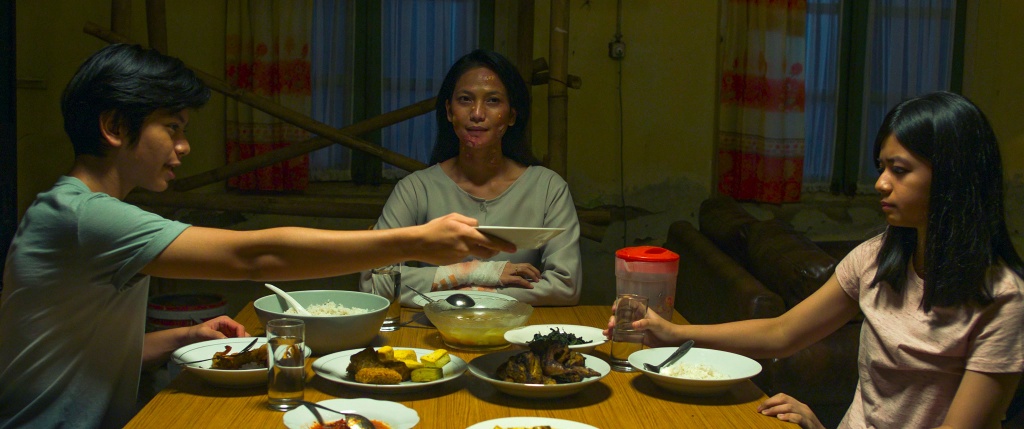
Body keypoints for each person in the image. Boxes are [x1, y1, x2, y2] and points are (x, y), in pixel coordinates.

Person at [0, 43, 514, 429]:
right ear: (114, 126)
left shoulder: (86, 213)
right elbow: (257, 256)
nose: (184, 147)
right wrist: (414, 241)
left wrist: (178, 339)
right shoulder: (84, 216)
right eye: (172, 127)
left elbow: (73, 352)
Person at [608, 92, 1023, 429]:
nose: (881, 183)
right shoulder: (877, 257)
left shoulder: (1003, 301)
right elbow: (782, 332)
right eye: (881, 167)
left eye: (899, 170)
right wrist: (670, 333)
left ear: (952, 176)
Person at [359, 49, 582, 306]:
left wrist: (472, 293)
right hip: (433, 328)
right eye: (465, 99)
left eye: (493, 101)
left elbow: (565, 285)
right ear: (449, 111)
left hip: (517, 327)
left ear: (512, 115)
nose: (477, 113)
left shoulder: (548, 188)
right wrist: (473, 272)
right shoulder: (416, 189)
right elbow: (374, 282)